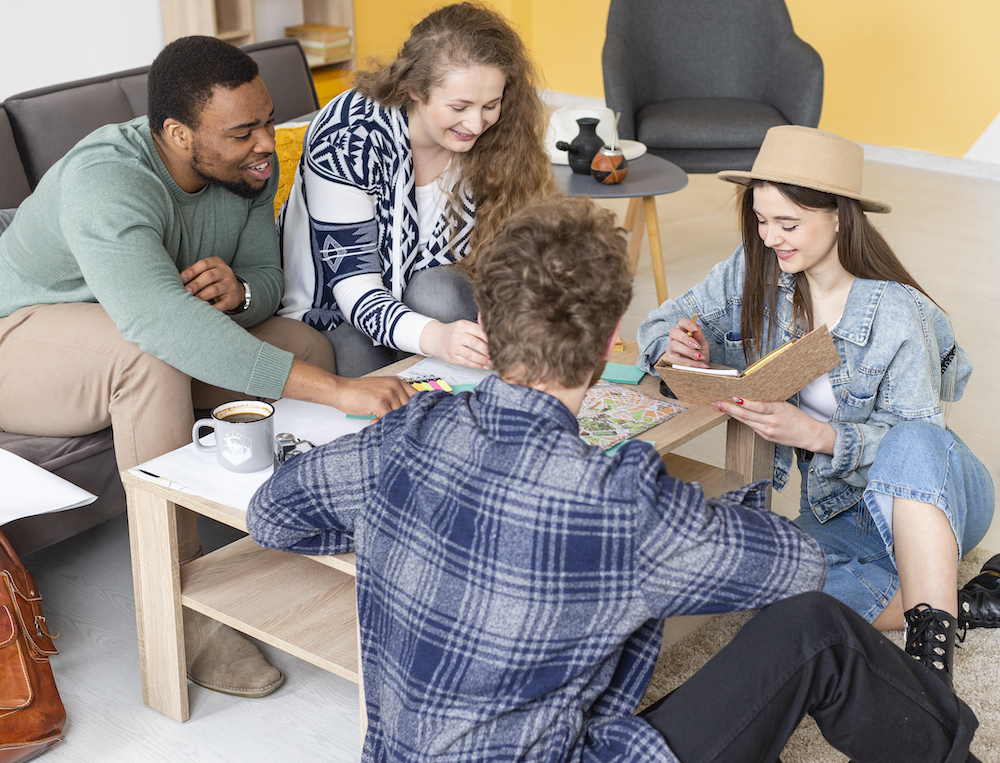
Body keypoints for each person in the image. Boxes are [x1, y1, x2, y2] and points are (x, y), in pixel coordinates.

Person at [247, 196, 980, 762]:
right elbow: (792, 566)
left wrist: (409, 519)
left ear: (485, 322)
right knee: (818, 630)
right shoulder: (620, 500)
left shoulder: (403, 437)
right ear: (605, 346)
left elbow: (272, 516)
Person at [0, 36, 413, 698]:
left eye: (267, 119)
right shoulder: (107, 181)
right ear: (177, 134)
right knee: (149, 360)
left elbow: (269, 280)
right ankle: (181, 609)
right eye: (243, 130)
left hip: (134, 329)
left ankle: (306, 525)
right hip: (18, 341)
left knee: (303, 348)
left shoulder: (246, 166)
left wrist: (242, 291)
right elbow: (159, 326)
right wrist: (340, 393)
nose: (263, 143)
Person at [637, 125, 996, 689]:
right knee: (767, 585)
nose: (770, 237)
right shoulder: (754, 270)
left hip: (934, 503)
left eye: (788, 223)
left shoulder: (899, 312)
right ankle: (951, 605)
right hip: (839, 513)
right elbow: (661, 319)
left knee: (913, 439)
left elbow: (918, 449)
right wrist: (671, 343)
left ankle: (931, 670)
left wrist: (816, 434)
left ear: (838, 217)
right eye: (760, 219)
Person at [277, 2, 554, 377]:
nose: (476, 124)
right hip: (337, 311)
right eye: (459, 106)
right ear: (414, 90)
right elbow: (354, 289)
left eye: (491, 104)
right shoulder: (349, 136)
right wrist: (438, 338)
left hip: (427, 297)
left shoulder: (499, 135)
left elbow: (516, 247)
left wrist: (504, 295)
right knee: (363, 370)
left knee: (438, 292)